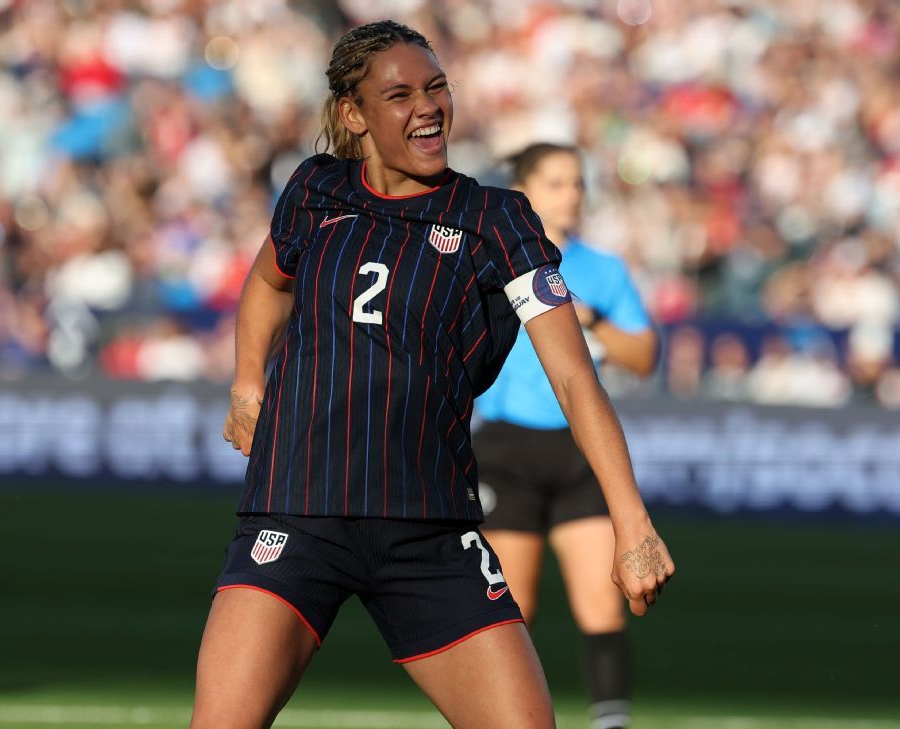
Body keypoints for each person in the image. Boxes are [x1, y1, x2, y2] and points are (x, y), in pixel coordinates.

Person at [193, 21, 672, 729]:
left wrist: (632, 522)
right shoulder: (314, 191)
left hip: (430, 529)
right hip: (296, 513)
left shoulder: (496, 220)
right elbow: (267, 282)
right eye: (400, 94)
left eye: (437, 87)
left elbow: (576, 379)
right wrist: (246, 384)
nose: (428, 106)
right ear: (354, 115)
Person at [474, 143, 660, 729]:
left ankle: (611, 723)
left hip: (579, 449)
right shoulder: (491, 258)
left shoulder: (602, 270)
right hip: (505, 450)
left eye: (577, 183)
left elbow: (644, 355)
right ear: (524, 192)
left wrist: (593, 318)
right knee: (511, 612)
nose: (572, 194)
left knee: (604, 603)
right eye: (557, 183)